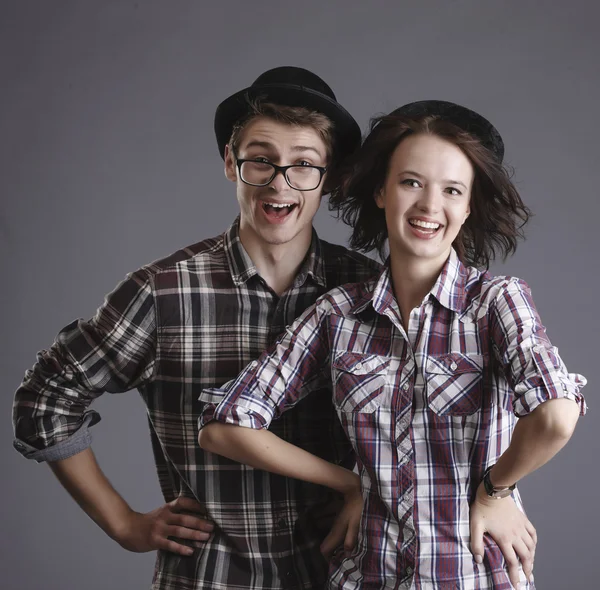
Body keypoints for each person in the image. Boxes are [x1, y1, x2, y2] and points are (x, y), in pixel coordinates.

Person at [12, 66, 382, 590]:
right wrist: (123, 524)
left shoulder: (369, 290)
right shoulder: (162, 293)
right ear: (231, 164)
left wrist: (495, 493)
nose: (280, 182)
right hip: (210, 578)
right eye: (261, 160)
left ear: (331, 175)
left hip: (345, 574)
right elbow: (44, 401)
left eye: (303, 164)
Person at [198, 100, 587, 589]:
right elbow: (223, 426)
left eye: (452, 190)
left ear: (468, 207)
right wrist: (349, 482)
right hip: (367, 576)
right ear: (381, 191)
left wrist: (494, 491)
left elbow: (554, 416)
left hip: (472, 577)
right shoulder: (338, 315)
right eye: (411, 182)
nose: (429, 206)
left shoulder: (495, 304)